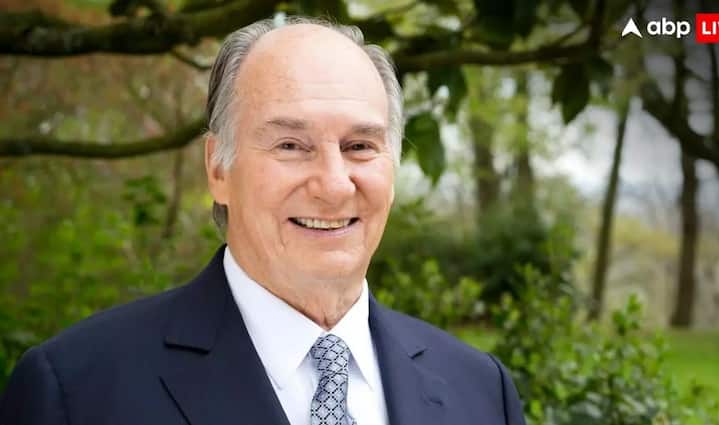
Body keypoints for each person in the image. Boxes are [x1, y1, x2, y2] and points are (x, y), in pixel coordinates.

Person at [0, 16, 526, 425]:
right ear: (218, 169)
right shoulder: (76, 392)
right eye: (291, 145)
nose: (334, 184)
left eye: (360, 146)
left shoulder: (481, 390)